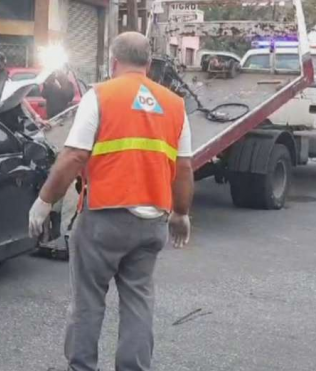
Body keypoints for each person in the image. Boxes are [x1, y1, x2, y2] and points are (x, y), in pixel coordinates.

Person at [28, 32, 195, 371]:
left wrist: (44, 201)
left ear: (113, 62)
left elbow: (74, 155)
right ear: (148, 64)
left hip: (104, 219)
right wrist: (181, 213)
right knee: (138, 302)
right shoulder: (175, 104)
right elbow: (184, 166)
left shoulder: (100, 96)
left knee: (88, 302)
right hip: (152, 222)